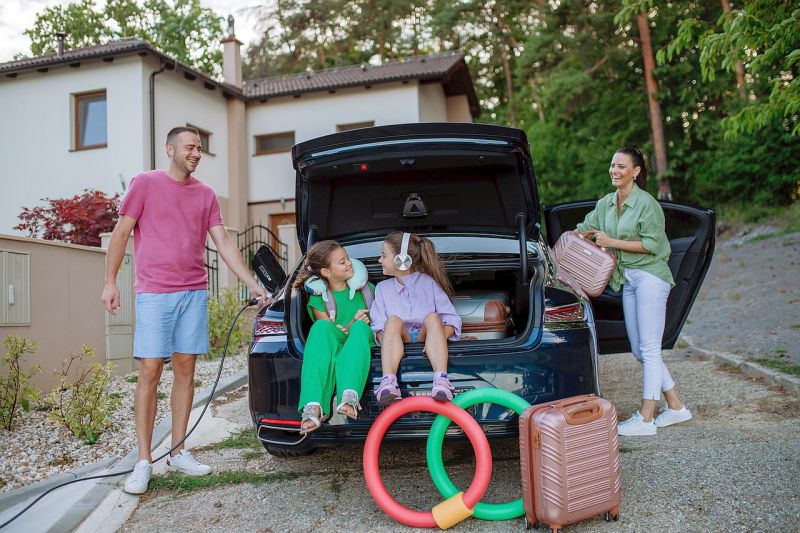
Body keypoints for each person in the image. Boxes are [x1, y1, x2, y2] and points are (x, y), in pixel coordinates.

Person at [101, 126, 267, 494]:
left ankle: (178, 451)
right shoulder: (145, 183)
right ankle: (143, 461)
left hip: (193, 292)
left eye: (199, 148)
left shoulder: (206, 194)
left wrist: (253, 284)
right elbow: (122, 233)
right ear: (170, 149)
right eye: (190, 147)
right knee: (149, 371)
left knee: (186, 370)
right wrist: (110, 281)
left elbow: (222, 242)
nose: (196, 153)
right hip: (155, 293)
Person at [576, 147, 692, 437]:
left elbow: (652, 244)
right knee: (641, 350)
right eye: (613, 165)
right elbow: (585, 228)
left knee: (650, 349)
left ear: (636, 172)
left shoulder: (647, 204)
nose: (615, 171)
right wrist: (573, 240)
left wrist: (611, 241)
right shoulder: (605, 204)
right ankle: (676, 408)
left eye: (622, 166)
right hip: (628, 279)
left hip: (651, 275)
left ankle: (645, 417)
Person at [292, 240, 375, 434]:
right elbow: (330, 334)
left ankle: (349, 397)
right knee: (320, 326)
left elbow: (376, 323)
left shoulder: (368, 289)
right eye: (341, 261)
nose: (349, 264)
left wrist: (355, 325)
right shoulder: (318, 298)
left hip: (361, 341)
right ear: (326, 272)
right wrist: (351, 324)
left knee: (360, 329)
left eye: (347, 258)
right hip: (338, 339)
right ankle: (313, 406)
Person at [370, 232, 461, 403]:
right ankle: (388, 381)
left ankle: (441, 380)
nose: (380, 260)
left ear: (401, 260)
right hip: (398, 337)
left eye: (383, 255)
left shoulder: (429, 283)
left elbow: (452, 320)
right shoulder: (381, 289)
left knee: (433, 317)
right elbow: (378, 328)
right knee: (393, 320)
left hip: (427, 336)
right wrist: (391, 344)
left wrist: (438, 339)